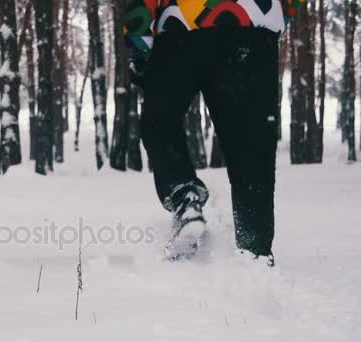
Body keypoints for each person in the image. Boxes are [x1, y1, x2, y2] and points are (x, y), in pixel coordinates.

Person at [124, 0, 306, 265]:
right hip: (253, 22)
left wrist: (139, 36)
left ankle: (184, 196)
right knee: (252, 147)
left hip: (182, 23)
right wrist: (279, 14)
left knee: (160, 122)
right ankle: (254, 254)